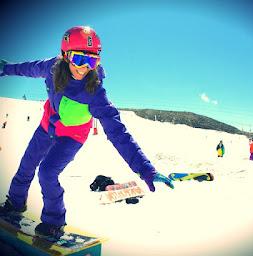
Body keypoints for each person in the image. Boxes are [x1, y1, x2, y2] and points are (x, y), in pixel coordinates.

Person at [0, 26, 174, 239]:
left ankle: (54, 222)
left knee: (47, 172)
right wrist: (6, 68)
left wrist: (145, 169)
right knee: (26, 165)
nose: (84, 68)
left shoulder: (95, 92)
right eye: (78, 59)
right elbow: (28, 68)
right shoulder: (52, 68)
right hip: (48, 126)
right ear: (65, 55)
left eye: (91, 61)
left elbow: (118, 133)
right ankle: (15, 203)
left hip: (72, 137)